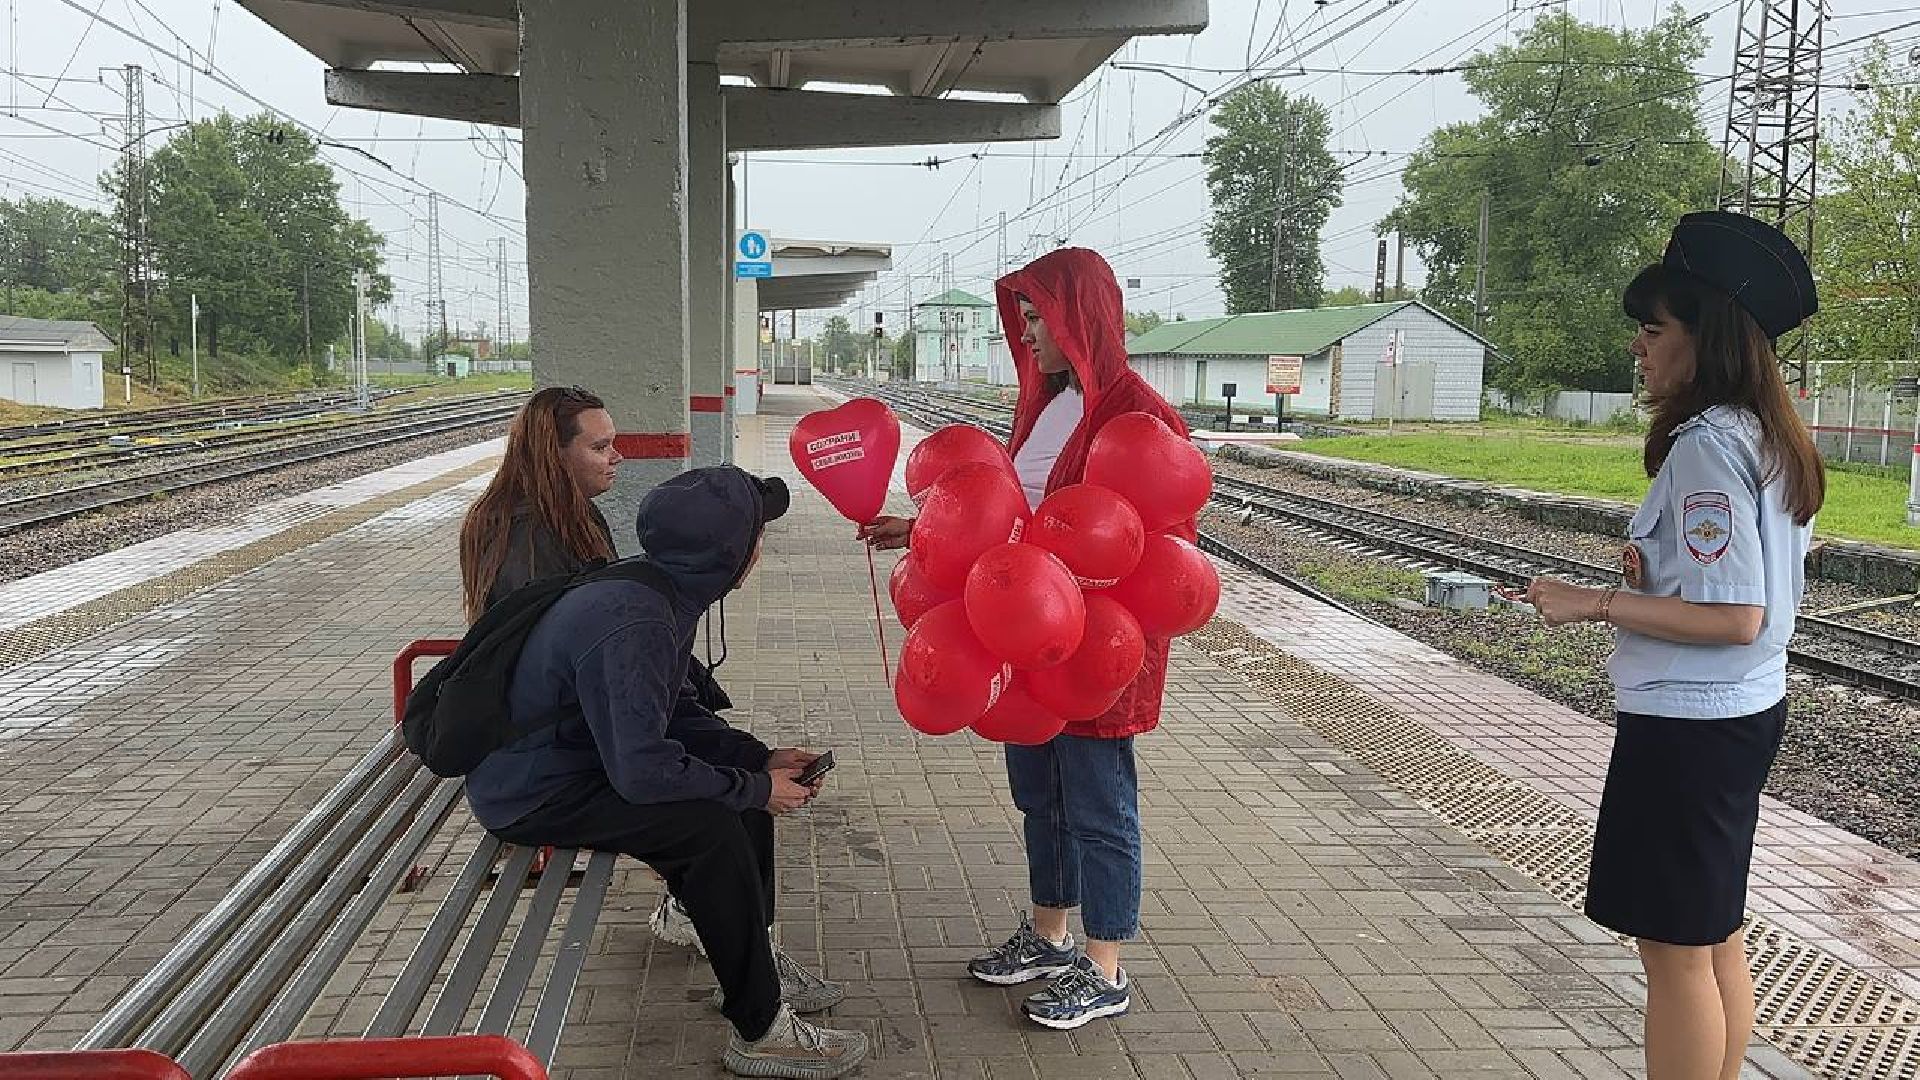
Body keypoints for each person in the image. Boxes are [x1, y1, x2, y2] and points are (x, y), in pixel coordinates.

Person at [1509, 210, 1822, 1080]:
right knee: (1716, 934)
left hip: (1688, 728)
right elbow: (1746, 583)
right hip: (1742, 713)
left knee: (1674, 952)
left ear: (1704, 338)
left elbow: (1737, 614)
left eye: (1655, 331)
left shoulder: (1707, 448)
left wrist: (1595, 602)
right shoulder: (1767, 434)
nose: (1639, 350)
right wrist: (1660, 574)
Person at [861, 247, 1196, 1030]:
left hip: (1098, 647)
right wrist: (920, 531)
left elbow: (1165, 533)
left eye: (1040, 317)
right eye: (1023, 319)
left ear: (1083, 319)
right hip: (1021, 639)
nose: (1029, 333)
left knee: (1099, 800)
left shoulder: (1137, 414)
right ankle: (1050, 933)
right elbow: (1016, 509)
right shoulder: (1044, 406)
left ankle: (1106, 965)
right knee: (1038, 795)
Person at [464, 465, 868, 1079]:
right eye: (758, 533)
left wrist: (757, 761)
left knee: (739, 791)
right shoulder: (638, 620)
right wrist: (754, 788)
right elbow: (644, 773)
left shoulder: (657, 588)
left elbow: (672, 707)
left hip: (577, 759)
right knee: (712, 827)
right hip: (532, 790)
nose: (763, 546)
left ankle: (740, 946)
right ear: (732, 553)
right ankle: (762, 1031)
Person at [455, 384, 740, 951]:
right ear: (553, 456)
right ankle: (705, 911)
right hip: (547, 744)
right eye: (601, 446)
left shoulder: (567, 516)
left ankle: (704, 904)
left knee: (710, 750)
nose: (618, 457)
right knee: (709, 801)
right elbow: (569, 659)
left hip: (564, 723)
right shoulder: (525, 538)